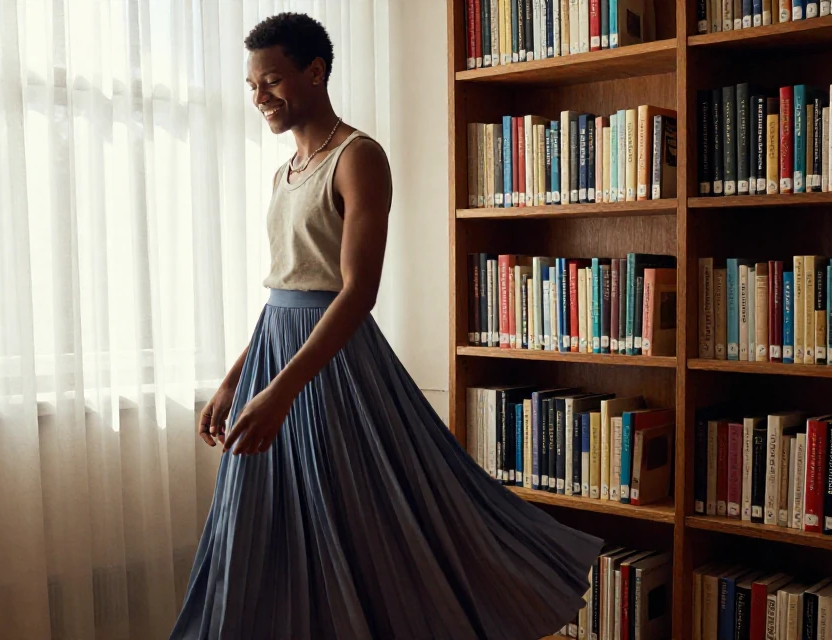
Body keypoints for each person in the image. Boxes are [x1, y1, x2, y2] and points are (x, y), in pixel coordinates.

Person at [171, 13, 603, 640]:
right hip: (276, 355)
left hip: (333, 365)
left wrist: (279, 393)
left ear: (315, 72)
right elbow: (283, 290)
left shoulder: (358, 157)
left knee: (362, 527)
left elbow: (356, 293)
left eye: (271, 81)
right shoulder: (283, 172)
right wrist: (236, 379)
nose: (259, 98)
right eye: (251, 86)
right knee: (269, 530)